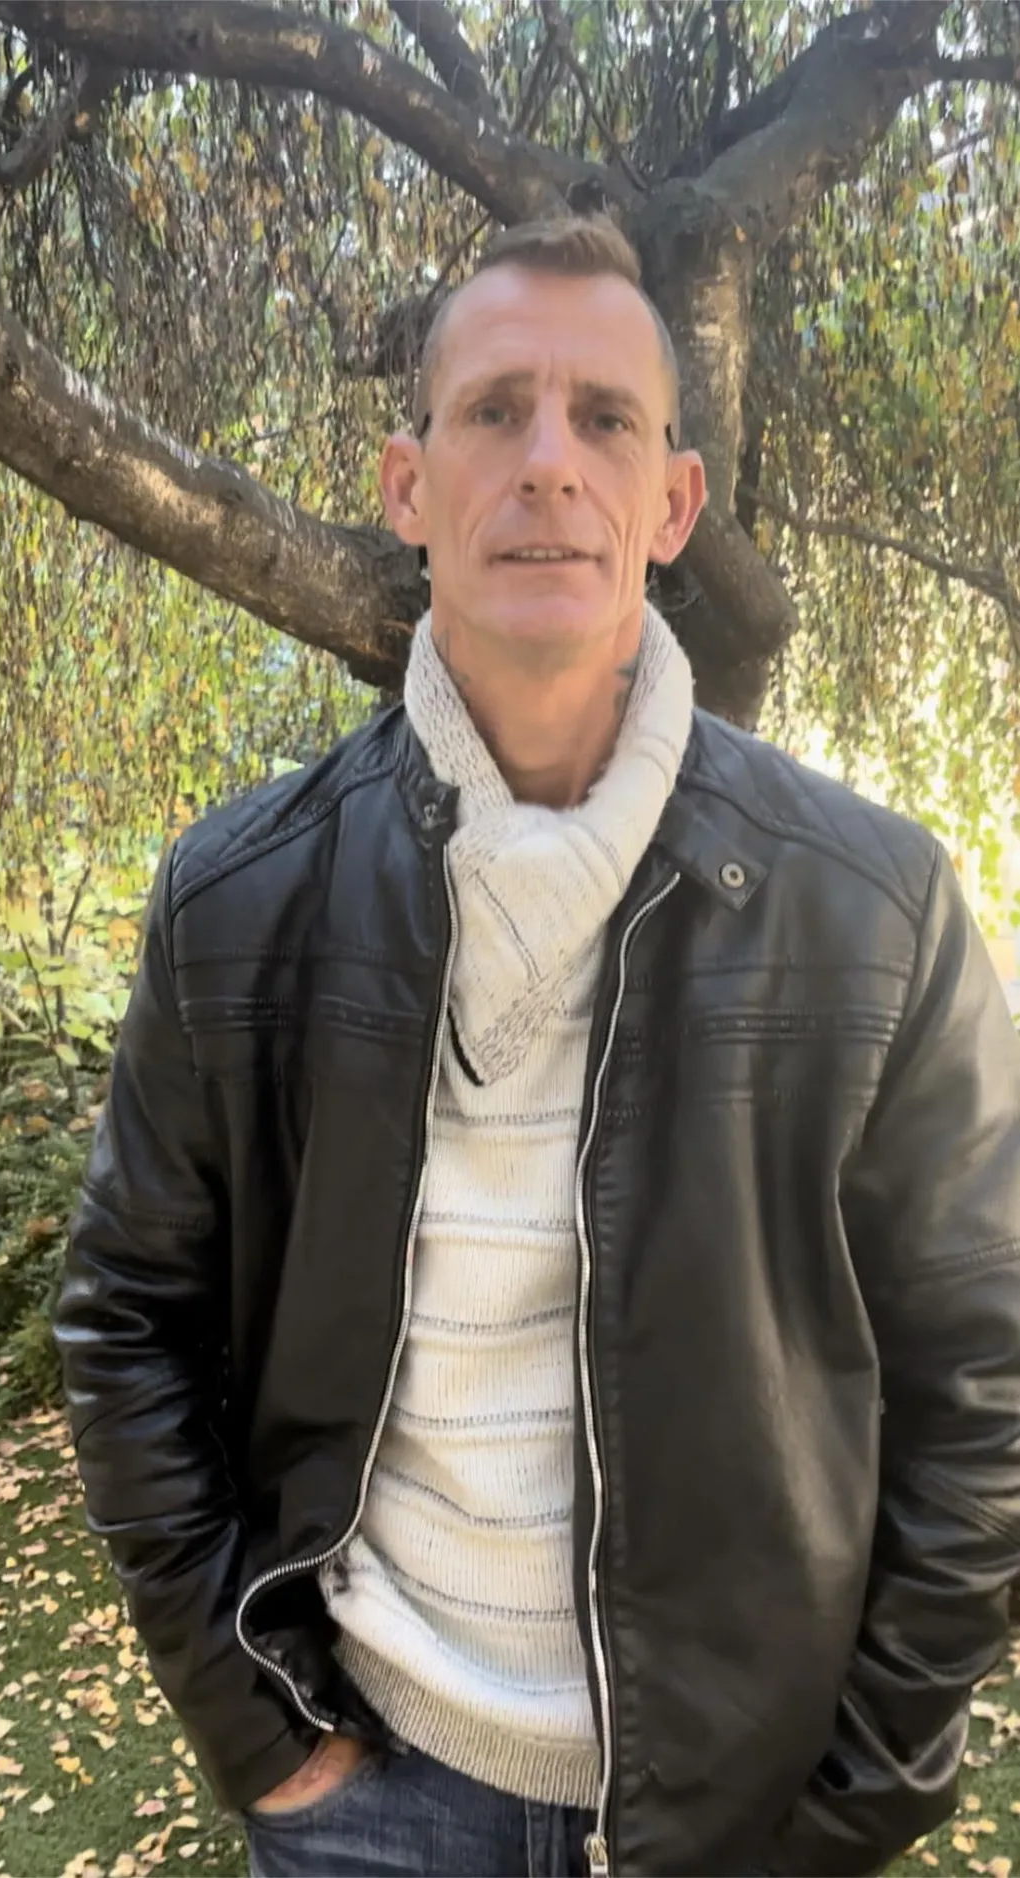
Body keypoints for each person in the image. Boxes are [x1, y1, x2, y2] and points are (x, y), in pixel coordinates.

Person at [55, 216, 1020, 1878]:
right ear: (408, 484)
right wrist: (264, 1736)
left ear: (674, 505)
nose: (550, 461)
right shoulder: (241, 901)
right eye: (495, 409)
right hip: (375, 1796)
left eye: (605, 418)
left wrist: (857, 1799)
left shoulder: (876, 909)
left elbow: (986, 1377)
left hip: (746, 1814)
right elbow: (127, 1315)